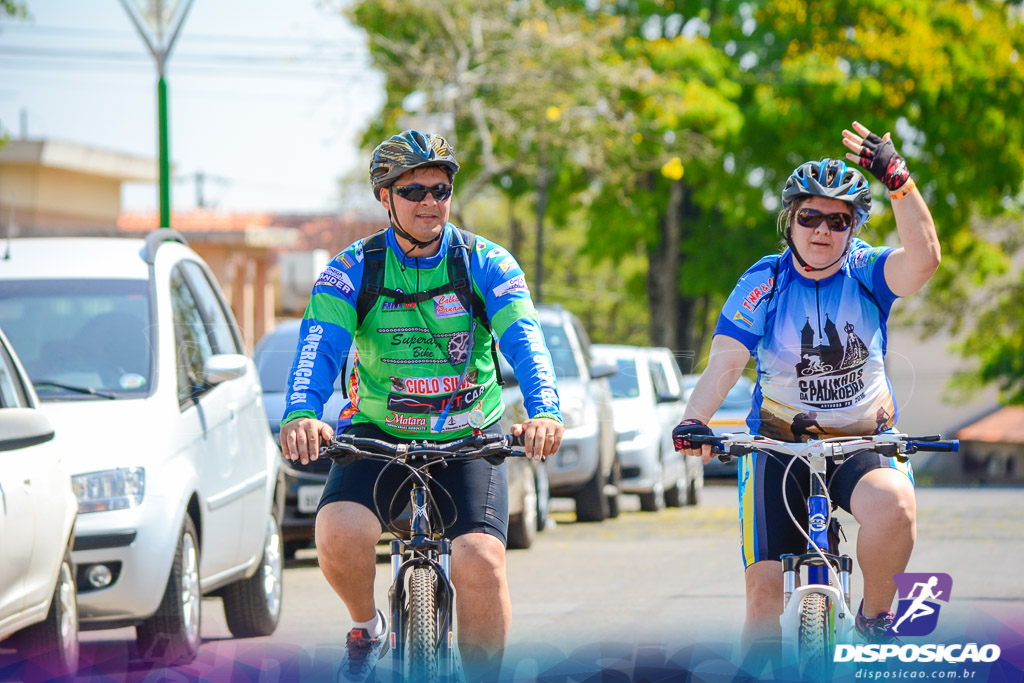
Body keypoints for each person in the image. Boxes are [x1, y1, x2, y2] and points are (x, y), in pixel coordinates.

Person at [279, 130, 564, 682]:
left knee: (480, 562)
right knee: (337, 531)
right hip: (378, 431)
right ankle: (367, 626)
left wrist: (545, 410)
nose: (431, 201)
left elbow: (525, 340)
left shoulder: (485, 262)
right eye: (415, 191)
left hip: (468, 435)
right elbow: (318, 345)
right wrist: (300, 412)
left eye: (441, 188)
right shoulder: (351, 269)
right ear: (385, 198)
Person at [672, 121, 941, 652]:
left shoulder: (866, 270)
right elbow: (726, 363)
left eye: (838, 220)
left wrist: (899, 182)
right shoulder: (764, 281)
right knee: (762, 600)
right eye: (810, 216)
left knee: (897, 508)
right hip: (778, 446)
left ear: (854, 227)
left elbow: (925, 261)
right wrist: (695, 420)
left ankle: (875, 616)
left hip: (863, 442)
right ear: (789, 221)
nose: (822, 230)